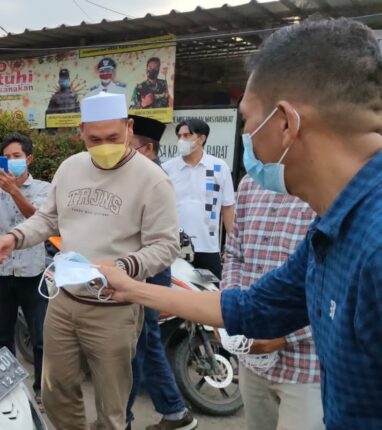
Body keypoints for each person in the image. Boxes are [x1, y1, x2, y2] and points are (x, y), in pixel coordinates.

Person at [98, 19, 382, 430]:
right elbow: (253, 307)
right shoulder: (332, 226)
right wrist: (128, 287)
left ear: (285, 123)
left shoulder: (374, 244)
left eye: (247, 121)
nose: (246, 137)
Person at [0, 92, 180, 430]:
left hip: (115, 308)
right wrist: (13, 238)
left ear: (128, 127)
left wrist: (123, 267)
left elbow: (165, 245)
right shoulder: (70, 168)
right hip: (64, 301)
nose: (104, 146)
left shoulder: (152, 179)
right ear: (81, 131)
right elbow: (48, 219)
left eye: (113, 137)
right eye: (95, 139)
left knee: (112, 405)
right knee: (56, 391)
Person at [222, 175, 321, 430]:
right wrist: (233, 313)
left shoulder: (324, 185)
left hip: (307, 366)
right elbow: (234, 255)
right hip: (252, 360)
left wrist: (286, 336)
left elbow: (337, 282)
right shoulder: (250, 184)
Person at [126, 116, 196, 430]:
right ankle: (174, 412)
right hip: (144, 269)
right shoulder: (142, 175)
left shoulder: (152, 179)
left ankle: (123, 416)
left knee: (136, 345)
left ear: (147, 149)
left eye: (128, 145)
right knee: (146, 342)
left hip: (148, 270)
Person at [0, 132, 51, 404]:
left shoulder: (43, 188)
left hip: (32, 271)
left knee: (40, 336)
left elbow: (37, 218)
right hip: (2, 272)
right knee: (3, 335)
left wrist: (13, 190)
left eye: (16, 156)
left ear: (28, 159)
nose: (11, 161)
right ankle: (9, 388)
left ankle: (41, 389)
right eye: (6, 157)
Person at [162, 118, 235, 279]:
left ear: (201, 139)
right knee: (174, 291)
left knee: (211, 290)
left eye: (187, 135)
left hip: (208, 247)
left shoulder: (219, 167)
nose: (181, 140)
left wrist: (232, 244)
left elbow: (228, 207)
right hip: (174, 247)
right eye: (179, 136)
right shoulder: (167, 169)